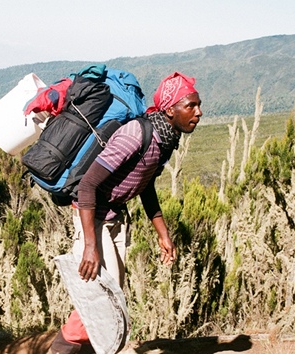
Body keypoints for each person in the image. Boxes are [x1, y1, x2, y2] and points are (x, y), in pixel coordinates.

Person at [47, 72, 202, 354]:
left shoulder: (165, 140)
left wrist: (163, 234)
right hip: (93, 217)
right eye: (190, 105)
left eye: (197, 104)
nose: (198, 112)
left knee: (109, 297)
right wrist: (90, 245)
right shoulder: (135, 135)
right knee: (100, 298)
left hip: (115, 217)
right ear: (170, 109)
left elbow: (145, 184)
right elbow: (87, 185)